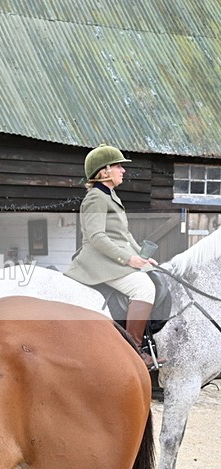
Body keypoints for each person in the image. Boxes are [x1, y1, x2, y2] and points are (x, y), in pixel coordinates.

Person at [64, 144, 164, 369]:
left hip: (113, 258)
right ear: (104, 171)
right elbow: (97, 237)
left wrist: (142, 256)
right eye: (118, 166)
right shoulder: (96, 198)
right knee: (144, 289)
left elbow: (124, 235)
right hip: (98, 262)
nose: (123, 170)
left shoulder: (110, 196)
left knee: (156, 278)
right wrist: (129, 260)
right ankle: (133, 351)